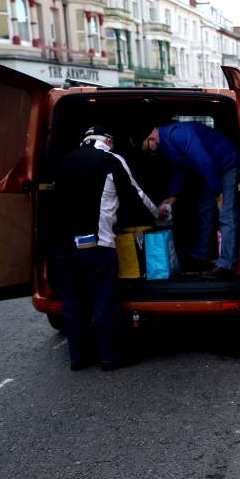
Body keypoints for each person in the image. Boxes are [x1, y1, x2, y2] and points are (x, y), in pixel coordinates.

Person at [52, 125, 158, 371]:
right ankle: (109, 357)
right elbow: (134, 194)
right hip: (97, 243)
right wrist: (157, 214)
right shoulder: (110, 160)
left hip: (63, 246)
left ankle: (77, 358)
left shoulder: (63, 160)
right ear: (108, 141)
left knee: (73, 301)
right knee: (103, 300)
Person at [140, 122, 240, 280]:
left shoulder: (179, 134)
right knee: (205, 210)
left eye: (147, 148)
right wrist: (173, 196)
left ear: (151, 138)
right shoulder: (166, 144)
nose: (150, 152)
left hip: (226, 163)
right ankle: (200, 256)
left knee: (225, 212)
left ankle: (226, 264)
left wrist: (217, 193)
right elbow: (180, 168)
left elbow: (203, 160)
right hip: (210, 169)